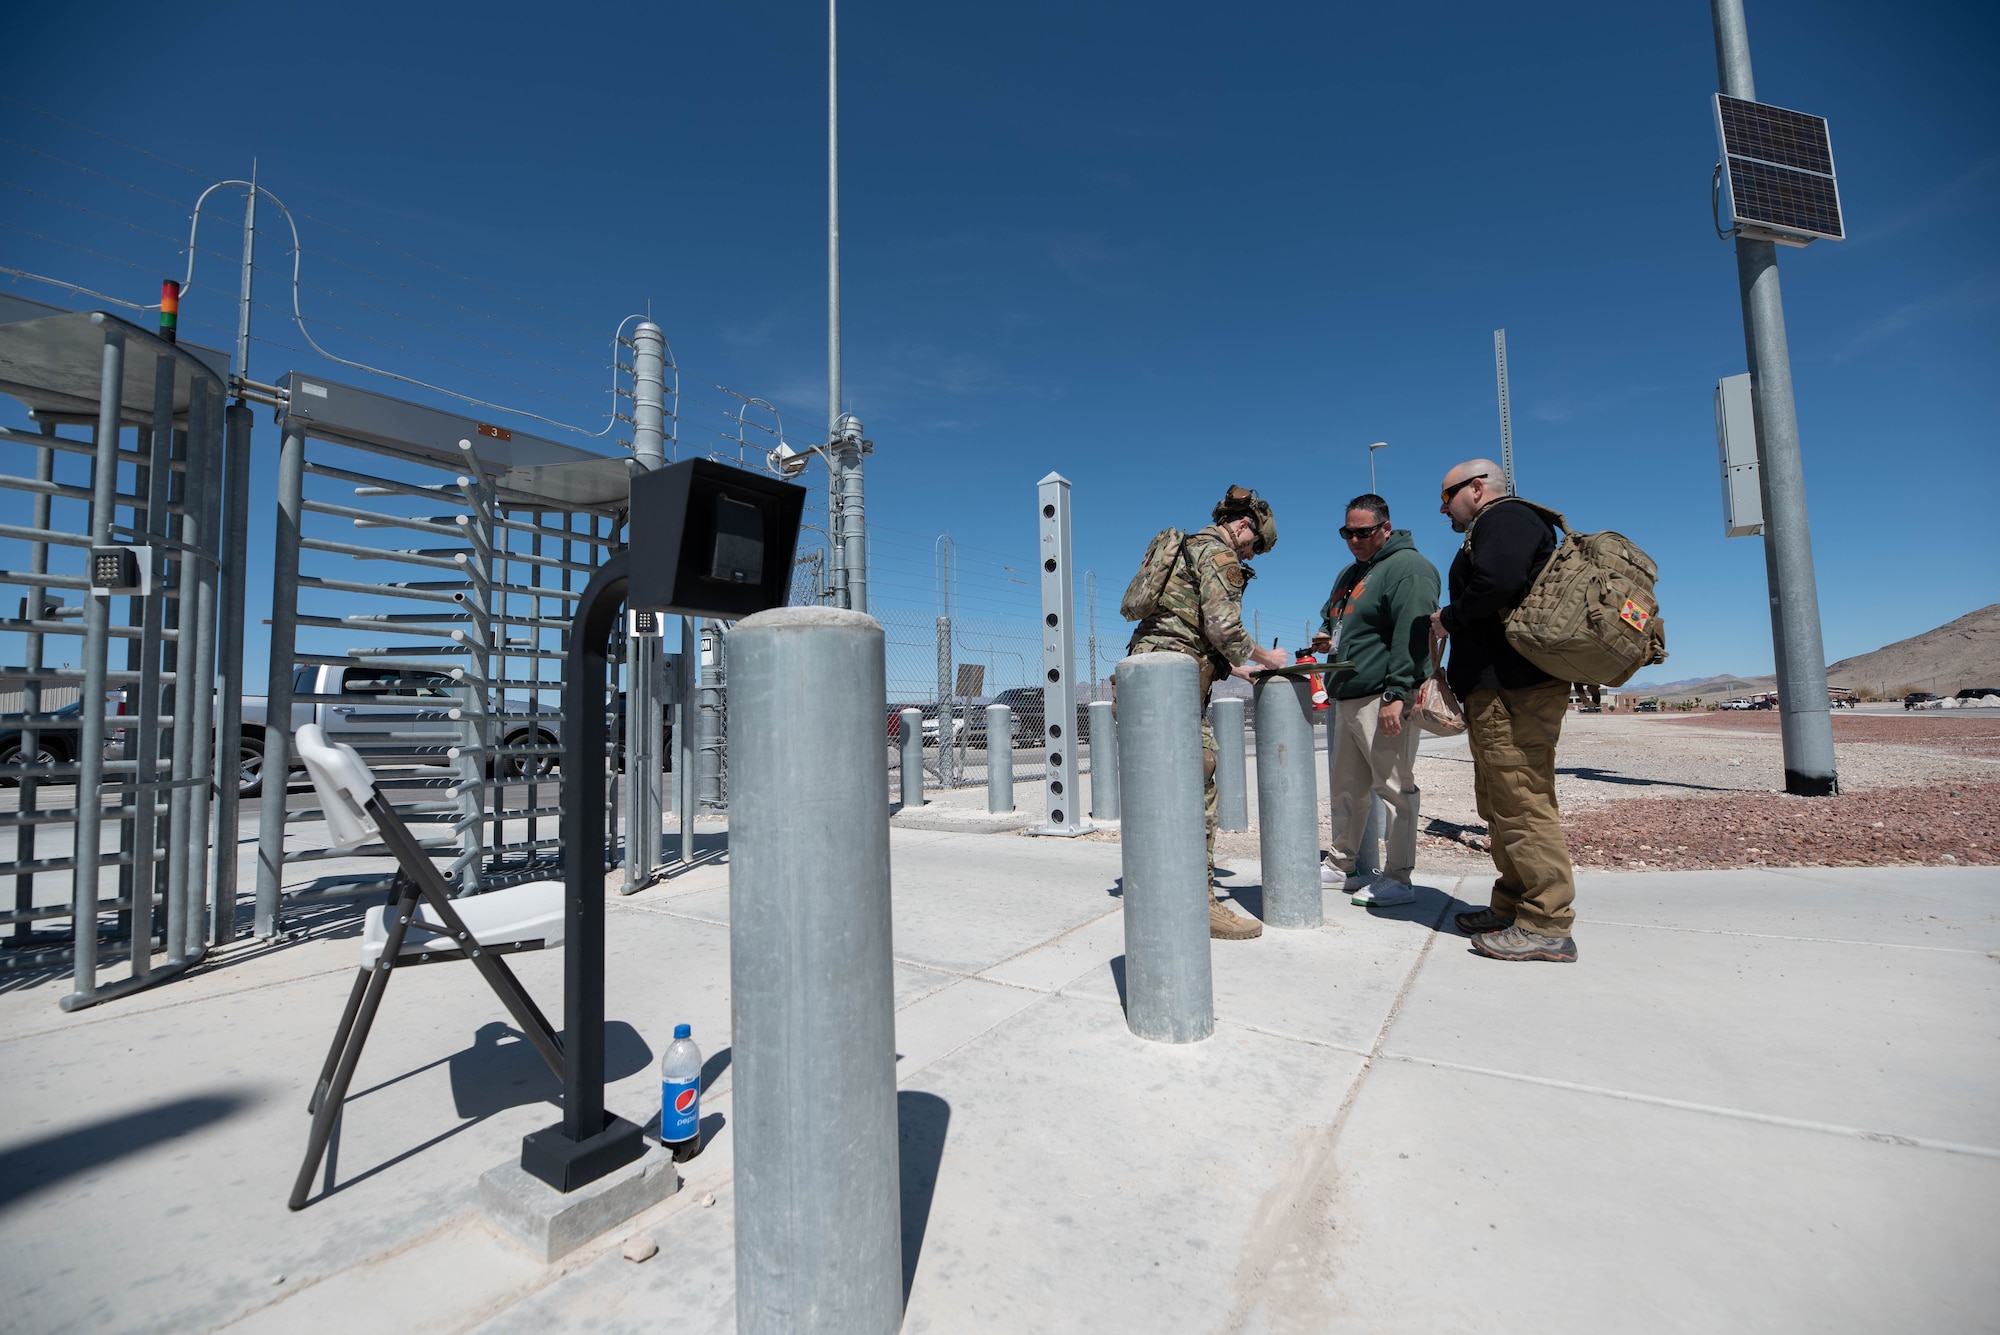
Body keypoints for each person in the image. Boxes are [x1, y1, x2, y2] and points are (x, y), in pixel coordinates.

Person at [1127, 485, 1291, 940]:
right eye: (1255, 546)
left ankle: (1163, 891)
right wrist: (1265, 656)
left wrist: (1234, 667)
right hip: (1176, 688)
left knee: (1160, 791)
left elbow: (1184, 621)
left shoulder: (1184, 549)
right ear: (1243, 526)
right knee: (1198, 791)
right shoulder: (1219, 556)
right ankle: (1200, 905)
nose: (1252, 556)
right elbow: (1223, 626)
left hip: (1147, 677)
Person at [1431, 459, 1579, 962]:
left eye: (1447, 496)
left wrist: (1446, 619)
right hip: (1498, 691)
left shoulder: (1506, 518)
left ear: (1476, 487)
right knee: (1499, 803)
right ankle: (1514, 906)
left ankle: (1547, 924)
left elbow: (1498, 581)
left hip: (1514, 688)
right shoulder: (1496, 525)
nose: (1443, 508)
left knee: (1522, 801)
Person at [1308, 494, 1440, 908]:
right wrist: (1329, 635)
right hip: (1347, 693)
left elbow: (1414, 635)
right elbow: (1336, 616)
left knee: (1395, 788)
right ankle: (1344, 862)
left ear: (1386, 527)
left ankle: (1399, 877)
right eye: (1347, 532)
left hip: (1382, 697)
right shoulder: (1351, 573)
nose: (1354, 540)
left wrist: (1395, 694)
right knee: (1348, 788)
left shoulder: (1409, 570)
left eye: (1363, 532)